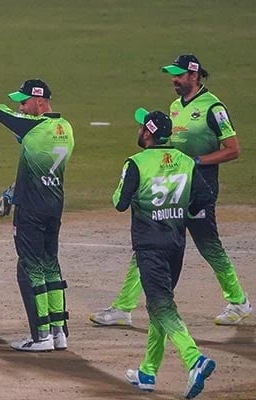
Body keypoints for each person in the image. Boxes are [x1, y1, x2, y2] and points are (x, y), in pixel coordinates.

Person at [90, 54, 251, 327]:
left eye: (179, 75)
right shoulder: (174, 107)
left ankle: (238, 301)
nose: (174, 80)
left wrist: (197, 161)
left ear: (194, 75)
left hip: (201, 188)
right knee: (148, 245)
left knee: (209, 246)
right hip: (174, 186)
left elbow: (233, 150)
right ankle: (123, 307)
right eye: (172, 75)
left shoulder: (214, 109)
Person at [120, 108, 215, 399]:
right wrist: (179, 211)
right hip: (176, 245)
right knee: (158, 305)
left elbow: (120, 202)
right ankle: (148, 371)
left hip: (150, 247)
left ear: (148, 133)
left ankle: (194, 359)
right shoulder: (186, 161)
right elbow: (205, 197)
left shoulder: (136, 163)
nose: (138, 131)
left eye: (141, 127)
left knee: (163, 307)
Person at [0, 79, 74, 351]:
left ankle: (42, 336)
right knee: (51, 266)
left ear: (40, 101)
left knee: (31, 268)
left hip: (31, 210)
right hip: (54, 204)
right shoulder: (66, 128)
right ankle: (59, 333)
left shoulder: (33, 125)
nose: (21, 107)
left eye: (24, 102)